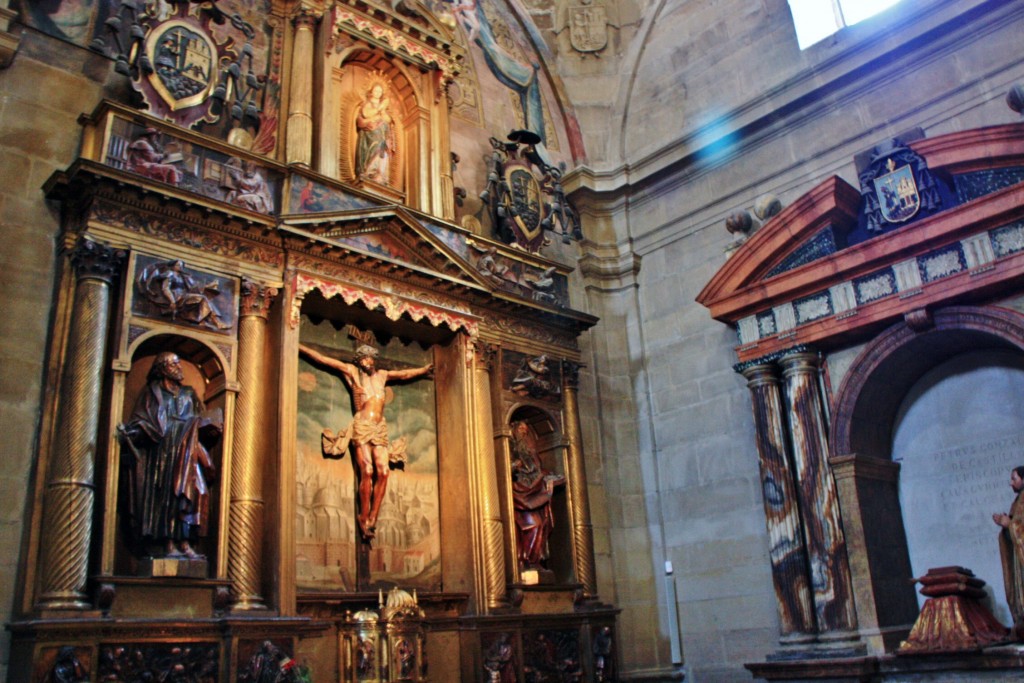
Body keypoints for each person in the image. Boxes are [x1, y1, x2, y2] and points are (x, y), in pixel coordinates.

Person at [298, 343, 433, 539]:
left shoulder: (382, 376)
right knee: (368, 471)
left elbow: (404, 374)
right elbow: (324, 360)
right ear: (359, 361)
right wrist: (301, 347)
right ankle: (363, 516)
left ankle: (373, 517)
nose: (369, 361)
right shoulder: (353, 373)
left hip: (379, 429)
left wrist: (422, 370)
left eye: (371, 358)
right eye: (365, 358)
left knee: (384, 471)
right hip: (362, 426)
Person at [119, 352, 222, 559]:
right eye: (174, 365)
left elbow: (200, 417)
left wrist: (206, 426)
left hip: (187, 452)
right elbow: (142, 421)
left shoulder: (188, 393)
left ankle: (185, 544)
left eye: (178, 364)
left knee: (193, 494)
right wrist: (134, 432)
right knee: (167, 498)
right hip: (163, 455)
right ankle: (167, 545)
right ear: (163, 368)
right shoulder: (152, 393)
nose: (179, 368)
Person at [509, 420, 565, 569]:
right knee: (534, 524)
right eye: (520, 428)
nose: (523, 432)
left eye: (525, 430)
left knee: (543, 524)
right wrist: (515, 465)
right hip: (520, 495)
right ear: (513, 430)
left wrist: (549, 477)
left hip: (534, 494)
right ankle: (527, 562)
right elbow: (502, 468)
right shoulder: (509, 449)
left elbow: (539, 471)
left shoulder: (529, 453)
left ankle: (535, 562)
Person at [136, 259, 233, 331]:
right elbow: (165, 289)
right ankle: (215, 322)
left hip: (184, 296)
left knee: (204, 299)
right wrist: (172, 301)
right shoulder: (169, 274)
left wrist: (209, 285)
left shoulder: (183, 276)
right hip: (177, 297)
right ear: (173, 266)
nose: (180, 267)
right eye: (178, 265)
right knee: (203, 299)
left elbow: (193, 288)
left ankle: (210, 321)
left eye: (181, 265)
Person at [994, 465, 1024, 637]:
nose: (1011, 482)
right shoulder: (1017, 502)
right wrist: (1006, 527)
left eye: (1014, 478)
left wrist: (1010, 524)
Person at [355, 83, 395, 184]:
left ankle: (380, 173)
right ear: (371, 92)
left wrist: (382, 112)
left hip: (383, 135)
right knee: (374, 148)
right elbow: (365, 113)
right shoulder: (369, 103)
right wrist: (379, 108)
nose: (377, 93)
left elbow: (388, 120)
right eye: (376, 90)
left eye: (380, 91)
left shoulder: (383, 108)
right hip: (371, 134)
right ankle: (369, 172)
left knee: (383, 152)